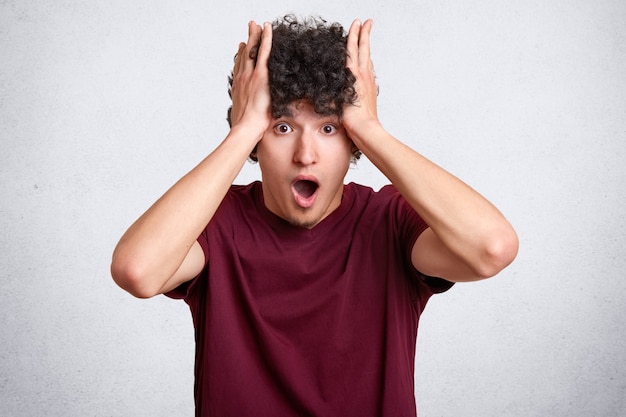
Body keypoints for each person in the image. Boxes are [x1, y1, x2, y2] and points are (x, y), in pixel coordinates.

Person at [111, 15, 518, 417]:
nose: (306, 155)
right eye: (283, 128)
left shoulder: (390, 222)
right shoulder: (216, 222)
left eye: (328, 129)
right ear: (256, 141)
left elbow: (491, 249)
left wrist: (369, 127)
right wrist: (243, 128)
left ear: (352, 142)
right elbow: (137, 271)